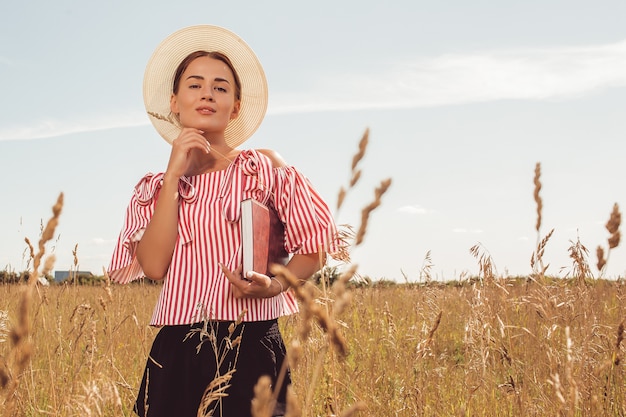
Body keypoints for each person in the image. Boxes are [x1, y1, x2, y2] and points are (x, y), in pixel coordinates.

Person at [107, 25, 341, 417]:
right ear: (175, 102)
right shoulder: (156, 187)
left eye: (221, 87)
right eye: (195, 85)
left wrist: (275, 286)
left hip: (249, 342)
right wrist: (171, 176)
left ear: (235, 106)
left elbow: (315, 247)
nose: (207, 94)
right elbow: (153, 265)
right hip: (177, 346)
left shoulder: (262, 167)